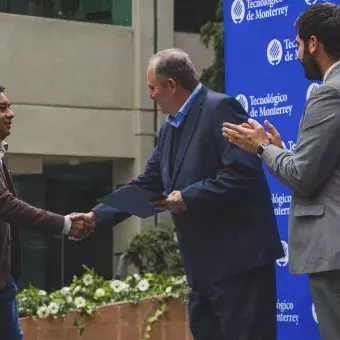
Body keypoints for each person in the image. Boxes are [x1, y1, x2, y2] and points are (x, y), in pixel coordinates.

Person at [73, 48, 283, 340]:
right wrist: (96, 216)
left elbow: (242, 174)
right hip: (202, 270)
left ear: (171, 84)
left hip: (239, 266)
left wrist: (187, 197)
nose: (150, 97)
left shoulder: (222, 108)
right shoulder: (170, 128)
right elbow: (149, 182)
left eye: (152, 88)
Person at [222, 3, 340, 340]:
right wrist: (282, 151)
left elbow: (303, 176)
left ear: (313, 43)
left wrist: (262, 147)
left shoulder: (329, 94)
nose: (298, 53)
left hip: (333, 257)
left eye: (298, 45)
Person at [0, 85, 92, 339]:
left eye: (9, 106)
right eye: (2, 108)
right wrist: (64, 224)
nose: (11, 114)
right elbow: (7, 206)